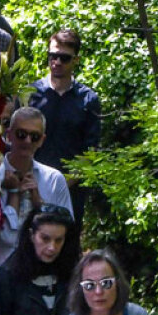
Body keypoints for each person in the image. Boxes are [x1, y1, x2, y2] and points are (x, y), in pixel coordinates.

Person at [0, 107, 71, 303]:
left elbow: (67, 229)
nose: (27, 141)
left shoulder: (53, 179)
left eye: (34, 137)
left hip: (39, 277)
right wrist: (12, 192)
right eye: (21, 134)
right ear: (9, 135)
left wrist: (39, 202)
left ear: (42, 140)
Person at [28, 28, 101, 218]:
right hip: (31, 185)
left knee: (67, 243)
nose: (57, 62)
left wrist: (61, 185)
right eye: (53, 56)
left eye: (64, 58)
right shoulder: (30, 94)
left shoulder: (88, 100)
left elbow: (90, 152)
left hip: (71, 190)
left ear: (75, 60)